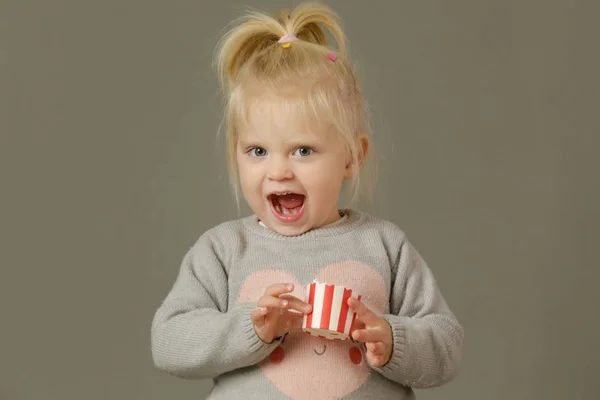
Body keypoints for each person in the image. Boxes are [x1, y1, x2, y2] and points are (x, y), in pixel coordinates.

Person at [151, 2, 463, 399]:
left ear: (352, 156)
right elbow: (168, 341)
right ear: (236, 154)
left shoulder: (384, 246)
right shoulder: (223, 250)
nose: (278, 171)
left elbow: (447, 343)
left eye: (303, 151)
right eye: (258, 151)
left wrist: (393, 339)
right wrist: (251, 328)